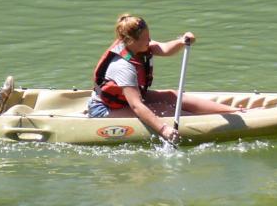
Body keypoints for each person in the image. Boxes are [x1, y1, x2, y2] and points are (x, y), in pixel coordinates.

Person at [87, 13, 235, 143]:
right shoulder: (124, 67)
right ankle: (201, 122)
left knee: (172, 96)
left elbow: (165, 49)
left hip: (128, 98)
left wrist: (182, 41)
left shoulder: (138, 46)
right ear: (132, 41)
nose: (149, 40)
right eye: (146, 39)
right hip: (104, 109)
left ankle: (235, 112)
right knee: (161, 109)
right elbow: (136, 106)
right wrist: (164, 129)